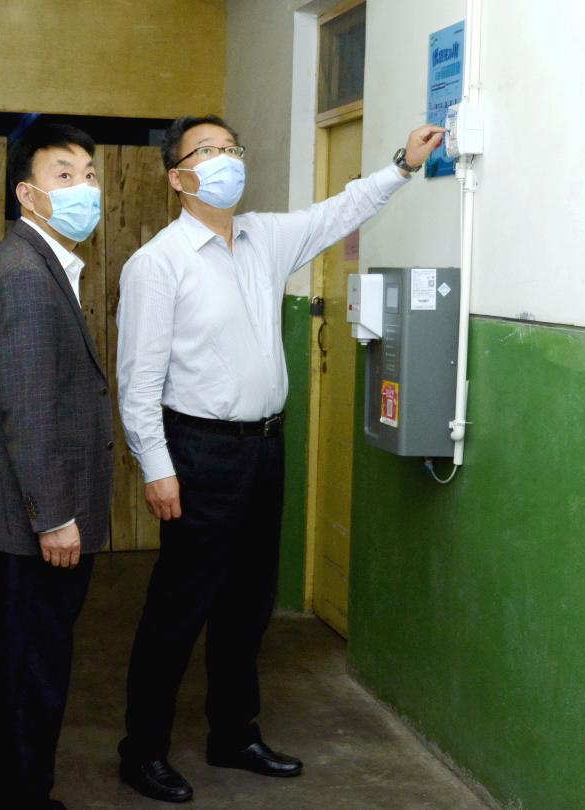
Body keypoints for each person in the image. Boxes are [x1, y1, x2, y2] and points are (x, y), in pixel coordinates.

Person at [114, 114, 444, 803]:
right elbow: (138, 383)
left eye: (231, 147)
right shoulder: (158, 263)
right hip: (198, 454)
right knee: (178, 610)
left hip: (265, 448)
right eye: (207, 150)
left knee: (247, 605)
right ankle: (141, 751)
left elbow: (339, 211)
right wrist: (157, 468)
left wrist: (403, 165)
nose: (225, 158)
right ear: (178, 176)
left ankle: (234, 735)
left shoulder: (263, 238)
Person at [0, 122, 114, 810]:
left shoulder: (42, 264)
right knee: (32, 667)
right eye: (64, 175)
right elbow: (30, 413)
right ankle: (21, 796)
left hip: (25, 515)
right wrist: (54, 518)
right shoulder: (26, 277)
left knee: (9, 655)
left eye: (89, 174)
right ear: (28, 193)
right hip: (36, 522)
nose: (84, 188)